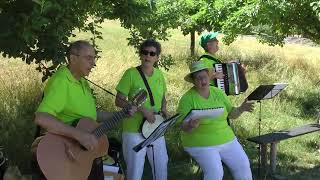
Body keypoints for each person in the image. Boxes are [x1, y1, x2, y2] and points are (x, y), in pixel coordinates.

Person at [34, 40, 136, 180]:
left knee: (116, 174)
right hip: (68, 154)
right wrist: (79, 135)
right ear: (73, 58)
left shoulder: (83, 82)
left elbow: (91, 116)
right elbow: (41, 118)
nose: (93, 63)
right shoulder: (62, 82)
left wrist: (120, 114)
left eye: (94, 58)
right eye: (89, 58)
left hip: (87, 155)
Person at [178, 61, 254, 180]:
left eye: (204, 77)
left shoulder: (218, 92)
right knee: (216, 172)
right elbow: (182, 126)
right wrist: (191, 126)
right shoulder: (187, 99)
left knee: (243, 165)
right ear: (193, 81)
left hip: (226, 138)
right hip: (200, 142)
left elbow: (231, 114)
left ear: (209, 76)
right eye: (198, 79)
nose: (202, 81)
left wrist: (241, 108)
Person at [115, 39, 168, 180]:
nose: (148, 56)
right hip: (134, 130)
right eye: (145, 52)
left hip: (156, 127)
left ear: (157, 57)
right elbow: (119, 101)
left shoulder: (159, 75)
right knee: (135, 172)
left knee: (161, 167)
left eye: (152, 53)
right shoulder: (130, 74)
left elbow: (163, 97)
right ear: (140, 54)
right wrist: (141, 110)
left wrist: (164, 109)